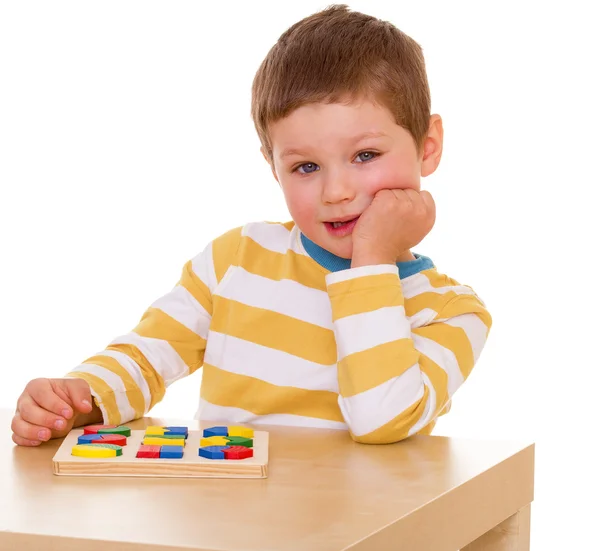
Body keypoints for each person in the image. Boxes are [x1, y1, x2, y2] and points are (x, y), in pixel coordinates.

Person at [11, 4, 491, 447]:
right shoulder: (236, 260)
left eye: (365, 155)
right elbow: (146, 359)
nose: (336, 191)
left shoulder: (452, 312)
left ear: (427, 147)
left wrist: (372, 260)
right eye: (306, 167)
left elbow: (381, 420)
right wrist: (79, 398)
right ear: (272, 164)